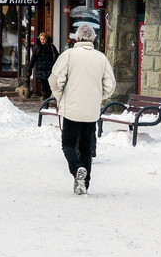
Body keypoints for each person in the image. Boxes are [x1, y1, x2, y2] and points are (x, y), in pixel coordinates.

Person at [49, 23, 116, 195]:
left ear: (76, 38)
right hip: (91, 110)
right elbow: (110, 85)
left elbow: (55, 80)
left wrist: (60, 96)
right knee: (86, 147)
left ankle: (76, 168)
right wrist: (97, 97)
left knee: (68, 143)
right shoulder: (101, 58)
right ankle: (84, 183)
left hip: (72, 107)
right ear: (93, 39)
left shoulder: (68, 55)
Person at [28, 32, 58, 100]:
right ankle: (45, 101)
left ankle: (46, 100)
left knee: (49, 86)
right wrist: (29, 69)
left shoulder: (51, 47)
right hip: (41, 71)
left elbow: (57, 57)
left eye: (44, 39)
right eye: (41, 39)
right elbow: (33, 59)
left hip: (49, 70)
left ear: (46, 39)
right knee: (45, 86)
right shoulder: (38, 48)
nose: (42, 41)